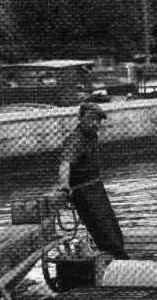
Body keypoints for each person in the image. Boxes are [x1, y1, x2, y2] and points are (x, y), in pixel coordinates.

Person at [58, 102, 128, 259]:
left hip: (96, 186)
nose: (95, 123)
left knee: (110, 224)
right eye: (91, 119)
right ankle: (115, 258)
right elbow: (65, 163)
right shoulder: (75, 140)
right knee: (101, 228)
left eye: (98, 120)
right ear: (81, 118)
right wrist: (64, 185)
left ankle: (118, 255)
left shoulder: (92, 136)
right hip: (84, 191)